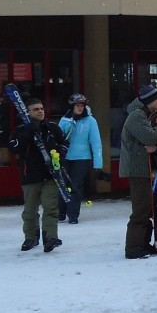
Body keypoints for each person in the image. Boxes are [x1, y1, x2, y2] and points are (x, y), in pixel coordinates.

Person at [120, 85, 157, 259]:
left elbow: (156, 141)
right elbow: (150, 137)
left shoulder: (147, 114)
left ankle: (143, 244)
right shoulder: (136, 115)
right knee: (141, 208)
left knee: (148, 208)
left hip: (146, 168)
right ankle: (133, 248)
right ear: (150, 101)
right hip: (138, 169)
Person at [8, 95, 70, 252]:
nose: (40, 111)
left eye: (42, 108)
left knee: (50, 208)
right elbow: (14, 148)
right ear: (27, 112)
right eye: (36, 109)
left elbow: (64, 142)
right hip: (30, 176)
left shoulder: (51, 127)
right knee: (30, 211)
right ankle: (31, 237)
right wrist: (27, 133)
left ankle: (51, 238)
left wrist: (61, 153)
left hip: (50, 175)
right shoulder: (20, 130)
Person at [57, 93, 103, 224]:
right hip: (65, 157)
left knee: (76, 185)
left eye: (82, 105)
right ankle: (60, 212)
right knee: (62, 184)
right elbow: (58, 138)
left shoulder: (90, 121)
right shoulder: (64, 120)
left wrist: (98, 163)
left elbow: (96, 142)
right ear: (72, 106)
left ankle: (73, 215)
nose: (80, 107)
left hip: (82, 157)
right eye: (77, 105)